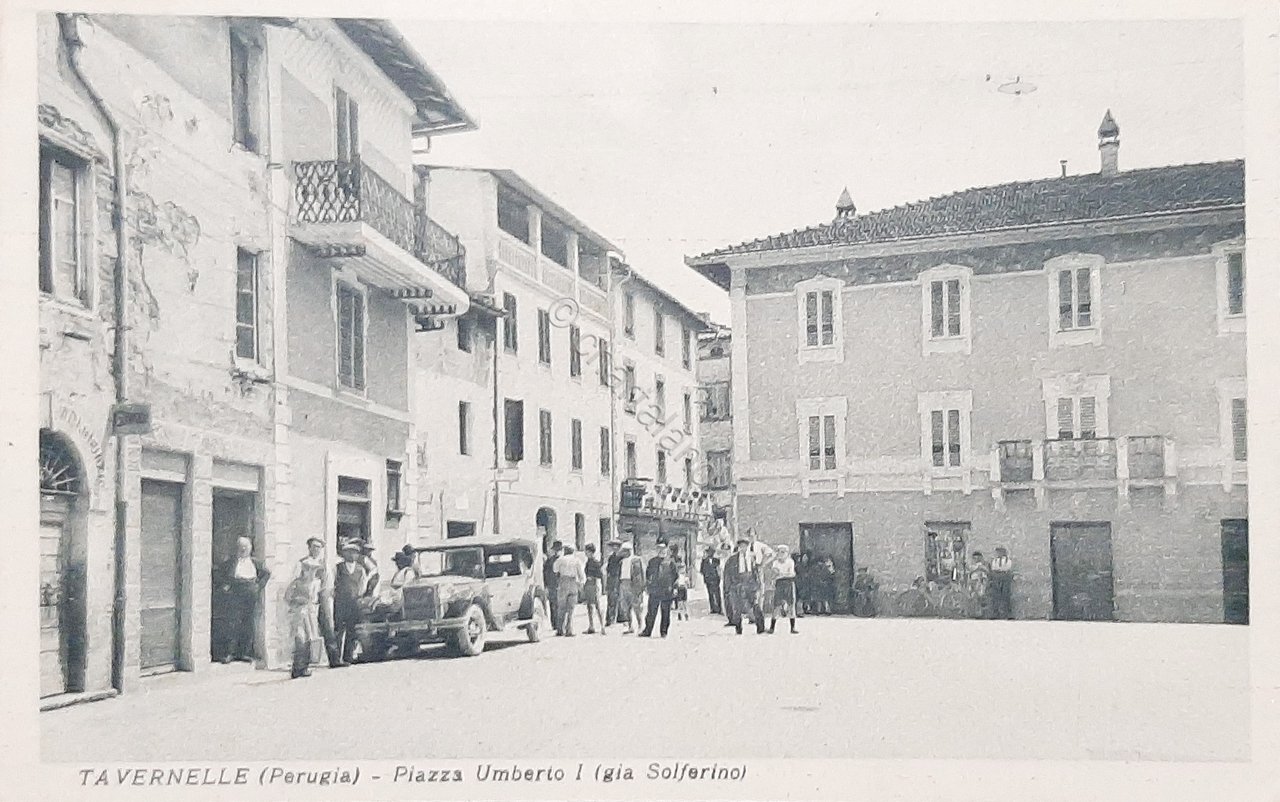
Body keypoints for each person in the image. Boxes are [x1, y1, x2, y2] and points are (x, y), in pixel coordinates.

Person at [214, 536, 271, 664]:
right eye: (241, 547)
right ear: (237, 548)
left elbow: (266, 574)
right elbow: (218, 573)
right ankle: (229, 653)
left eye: (246, 546)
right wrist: (225, 585)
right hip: (235, 592)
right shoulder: (230, 562)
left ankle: (244, 653)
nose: (244, 549)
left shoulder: (256, 563)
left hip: (250, 593)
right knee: (232, 622)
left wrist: (258, 586)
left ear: (250, 548)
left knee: (248, 622)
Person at [286, 539, 325, 679]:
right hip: (300, 609)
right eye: (314, 547)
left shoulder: (321, 569)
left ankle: (305, 666)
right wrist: (295, 602)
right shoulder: (301, 566)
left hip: (312, 608)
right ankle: (297, 667)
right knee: (300, 637)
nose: (310, 572)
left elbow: (322, 589)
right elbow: (290, 590)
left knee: (310, 637)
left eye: (319, 547)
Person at [332, 540, 371, 666]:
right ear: (344, 554)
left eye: (355, 553)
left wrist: (359, 595)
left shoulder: (360, 569)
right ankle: (336, 658)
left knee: (352, 630)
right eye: (349, 552)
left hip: (354, 603)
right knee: (338, 630)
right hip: (340, 603)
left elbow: (363, 585)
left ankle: (348, 657)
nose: (352, 555)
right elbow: (332, 584)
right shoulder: (338, 568)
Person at [723, 536, 766, 634]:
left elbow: (757, 571)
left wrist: (758, 584)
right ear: (738, 547)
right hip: (737, 584)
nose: (743, 548)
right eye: (741, 546)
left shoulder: (752, 557)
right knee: (737, 607)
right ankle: (738, 628)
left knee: (755, 605)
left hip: (750, 584)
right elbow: (728, 574)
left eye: (745, 546)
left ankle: (760, 628)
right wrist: (729, 587)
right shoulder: (732, 559)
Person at [641, 540, 679, 637]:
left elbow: (676, 577)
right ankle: (647, 631)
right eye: (659, 548)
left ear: (666, 549)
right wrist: (648, 586)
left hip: (667, 590)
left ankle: (664, 631)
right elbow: (648, 575)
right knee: (651, 612)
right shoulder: (652, 562)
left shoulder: (671, 562)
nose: (661, 550)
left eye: (663, 548)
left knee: (666, 612)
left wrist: (674, 588)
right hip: (655, 590)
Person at [554, 545, 586, 636]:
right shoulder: (577, 560)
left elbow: (555, 570)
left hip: (563, 581)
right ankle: (569, 629)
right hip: (573, 581)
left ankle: (560, 629)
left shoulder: (560, 560)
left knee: (561, 607)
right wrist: (581, 584)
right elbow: (581, 573)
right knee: (571, 608)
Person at [768, 544, 799, 634]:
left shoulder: (790, 562)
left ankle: (792, 627)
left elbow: (792, 574)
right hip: (779, 584)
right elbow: (774, 574)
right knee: (776, 606)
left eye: (783, 552)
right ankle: (772, 627)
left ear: (787, 553)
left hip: (789, 583)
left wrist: (781, 574)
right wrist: (778, 575)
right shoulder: (775, 563)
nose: (780, 554)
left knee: (791, 605)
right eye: (779, 552)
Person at [617, 544, 644, 633]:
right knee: (625, 606)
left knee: (636, 606)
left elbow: (641, 574)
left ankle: (640, 625)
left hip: (633, 584)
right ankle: (630, 626)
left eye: (624, 551)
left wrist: (641, 587)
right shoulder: (621, 562)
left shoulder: (636, 560)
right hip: (623, 583)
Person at [582, 543, 605, 634]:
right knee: (589, 606)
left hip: (594, 584)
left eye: (587, 551)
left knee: (597, 605)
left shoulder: (595, 562)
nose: (585, 553)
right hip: (588, 584)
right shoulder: (588, 562)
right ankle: (591, 626)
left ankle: (602, 626)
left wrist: (592, 577)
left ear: (591, 552)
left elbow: (600, 574)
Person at [543, 540, 563, 633]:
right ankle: (557, 623)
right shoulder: (555, 560)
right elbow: (546, 573)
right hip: (556, 585)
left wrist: (546, 584)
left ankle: (555, 623)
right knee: (557, 605)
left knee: (554, 605)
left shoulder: (550, 560)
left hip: (553, 585)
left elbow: (545, 573)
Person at [604, 539, 624, 629]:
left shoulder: (621, 558)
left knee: (619, 598)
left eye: (616, 546)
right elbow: (608, 569)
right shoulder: (611, 557)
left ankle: (620, 617)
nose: (614, 548)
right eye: (613, 546)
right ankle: (610, 619)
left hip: (619, 579)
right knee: (611, 599)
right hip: (611, 579)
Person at [989, 546, 1014, 619]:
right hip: (996, 577)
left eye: (1000, 552)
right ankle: (995, 613)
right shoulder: (995, 560)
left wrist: (1002, 572)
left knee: (1005, 595)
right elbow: (993, 568)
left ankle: (1007, 613)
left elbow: (1008, 568)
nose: (999, 553)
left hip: (1005, 577)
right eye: (998, 552)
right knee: (996, 595)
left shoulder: (1007, 560)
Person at [967, 551, 991, 619]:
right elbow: (970, 573)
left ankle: (981, 612)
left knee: (981, 596)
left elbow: (987, 572)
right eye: (975, 558)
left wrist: (982, 570)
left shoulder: (984, 565)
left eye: (978, 558)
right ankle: (973, 612)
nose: (976, 559)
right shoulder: (971, 565)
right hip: (973, 581)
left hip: (981, 581)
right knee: (973, 596)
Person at [699, 547, 722, 615]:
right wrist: (706, 575)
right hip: (708, 580)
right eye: (709, 552)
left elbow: (718, 569)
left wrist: (719, 577)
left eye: (711, 552)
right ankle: (712, 608)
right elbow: (701, 570)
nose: (710, 553)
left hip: (715, 579)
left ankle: (719, 608)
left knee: (717, 594)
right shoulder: (704, 561)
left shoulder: (716, 560)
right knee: (710, 594)